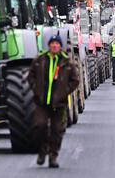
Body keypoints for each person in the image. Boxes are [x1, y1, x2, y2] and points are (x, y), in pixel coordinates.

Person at [28, 35, 79, 168]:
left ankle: (53, 156)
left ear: (60, 46)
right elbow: (30, 76)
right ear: (49, 45)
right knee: (40, 126)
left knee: (57, 130)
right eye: (52, 43)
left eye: (57, 44)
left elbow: (75, 80)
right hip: (42, 102)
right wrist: (36, 90)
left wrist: (64, 92)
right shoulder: (40, 60)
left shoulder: (66, 62)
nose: (55, 46)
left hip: (59, 103)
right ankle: (43, 149)